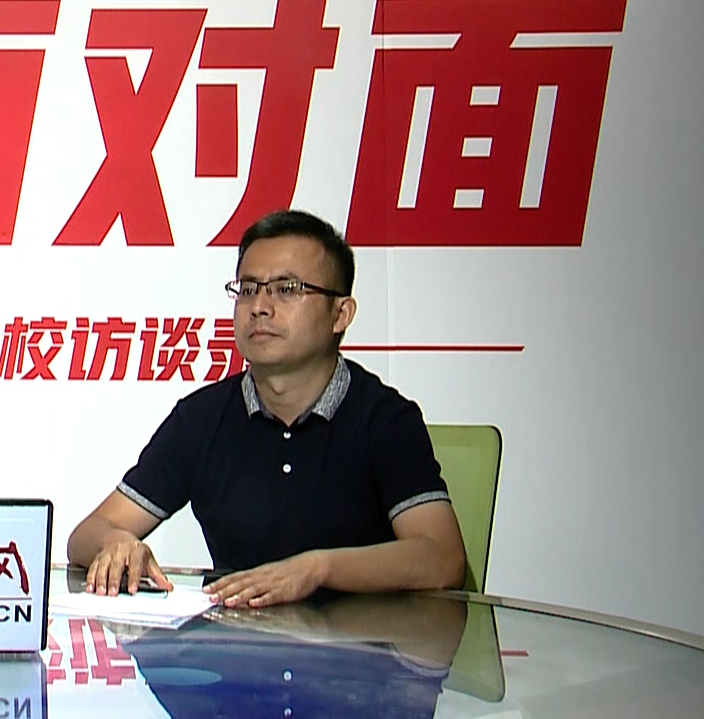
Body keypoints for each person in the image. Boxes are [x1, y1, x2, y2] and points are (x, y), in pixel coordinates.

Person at [67, 209, 466, 607]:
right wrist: (116, 541)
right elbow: (85, 535)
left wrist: (318, 569)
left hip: (363, 640)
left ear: (340, 314)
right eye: (248, 289)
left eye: (286, 289)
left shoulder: (384, 419)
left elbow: (442, 559)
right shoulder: (202, 419)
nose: (259, 306)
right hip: (238, 638)